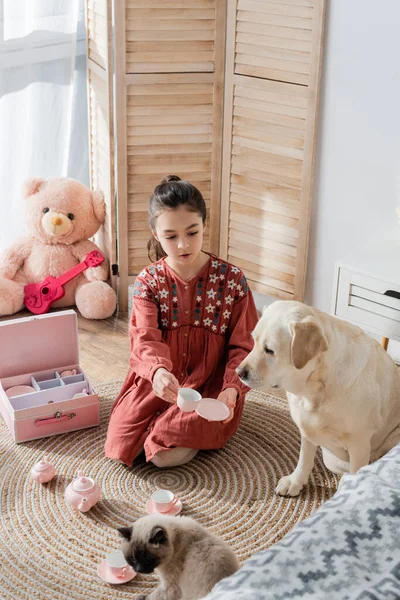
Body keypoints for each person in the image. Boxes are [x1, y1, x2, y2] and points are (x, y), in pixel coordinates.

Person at [104, 175, 259, 468]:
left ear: (204, 224)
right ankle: (171, 428)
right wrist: (157, 372)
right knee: (121, 444)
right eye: (171, 236)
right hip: (163, 380)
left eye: (192, 232)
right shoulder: (148, 282)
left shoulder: (233, 281)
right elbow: (145, 338)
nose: (183, 244)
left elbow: (245, 345)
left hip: (212, 385)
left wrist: (231, 387)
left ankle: (185, 431)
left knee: (164, 456)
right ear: (155, 233)